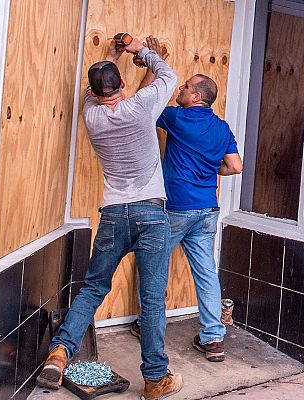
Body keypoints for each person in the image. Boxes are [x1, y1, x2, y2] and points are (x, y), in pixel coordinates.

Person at [35, 35, 183, 400]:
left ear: (95, 91)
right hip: (151, 213)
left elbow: (93, 89)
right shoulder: (142, 106)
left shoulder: (92, 115)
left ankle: (60, 351)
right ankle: (154, 379)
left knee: (93, 288)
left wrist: (110, 55)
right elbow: (168, 74)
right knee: (151, 299)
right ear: (122, 86)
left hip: (114, 213)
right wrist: (139, 51)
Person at [129, 38, 243, 363]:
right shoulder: (221, 128)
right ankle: (213, 339)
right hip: (208, 210)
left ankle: (146, 324)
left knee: (152, 263)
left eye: (187, 86)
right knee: (206, 271)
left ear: (196, 96)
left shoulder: (178, 118)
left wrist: (154, 64)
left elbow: (141, 107)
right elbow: (235, 166)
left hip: (178, 208)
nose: (180, 88)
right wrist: (211, 169)